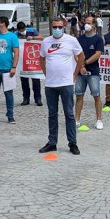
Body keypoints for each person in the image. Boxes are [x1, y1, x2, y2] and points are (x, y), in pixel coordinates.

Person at [38, 18, 84, 155]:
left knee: (69, 114)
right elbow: (41, 58)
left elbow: (81, 56)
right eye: (54, 27)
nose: (57, 29)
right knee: (52, 114)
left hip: (66, 83)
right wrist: (46, 73)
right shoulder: (46, 42)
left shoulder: (71, 40)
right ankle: (52, 142)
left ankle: (72, 143)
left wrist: (75, 74)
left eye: (59, 27)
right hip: (50, 84)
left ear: (64, 27)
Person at [74, 16, 105, 130]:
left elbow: (97, 54)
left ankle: (99, 119)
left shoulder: (98, 39)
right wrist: (81, 66)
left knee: (96, 95)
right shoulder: (79, 39)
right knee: (79, 95)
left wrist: (85, 63)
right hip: (80, 72)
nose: (86, 24)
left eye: (89, 23)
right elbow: (76, 54)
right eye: (85, 22)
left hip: (93, 71)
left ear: (93, 25)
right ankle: (76, 119)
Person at [16, 21, 43, 106]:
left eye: (23, 30)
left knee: (36, 80)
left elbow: (41, 37)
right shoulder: (16, 33)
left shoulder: (31, 30)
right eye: (20, 31)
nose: (22, 32)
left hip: (32, 59)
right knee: (24, 81)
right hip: (22, 61)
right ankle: (26, 98)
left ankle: (38, 98)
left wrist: (33, 38)